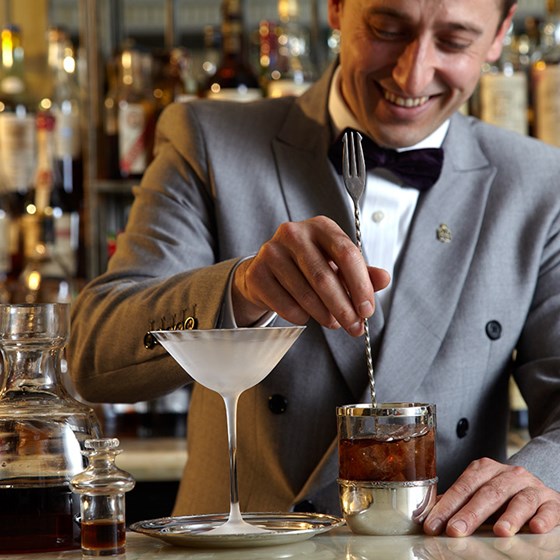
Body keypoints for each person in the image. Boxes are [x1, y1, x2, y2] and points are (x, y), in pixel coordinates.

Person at [70, 0, 560, 538]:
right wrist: (239, 289)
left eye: (455, 41)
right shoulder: (206, 139)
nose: (413, 73)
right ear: (336, 9)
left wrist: (538, 475)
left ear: (499, 36)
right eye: (387, 29)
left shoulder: (537, 183)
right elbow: (93, 353)